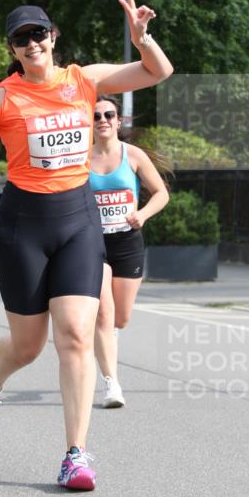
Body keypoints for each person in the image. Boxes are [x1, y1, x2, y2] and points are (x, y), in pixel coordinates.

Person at [0, 0, 173, 491]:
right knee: (29, 346)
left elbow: (157, 72)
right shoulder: (2, 98)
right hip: (22, 228)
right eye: (21, 39)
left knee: (76, 334)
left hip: (78, 220)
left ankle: (75, 455)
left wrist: (143, 39)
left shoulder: (85, 81)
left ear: (53, 37)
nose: (32, 44)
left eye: (38, 34)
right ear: (12, 50)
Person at [89, 95, 170, 408]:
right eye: (96, 116)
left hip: (127, 241)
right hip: (93, 245)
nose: (103, 120)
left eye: (109, 114)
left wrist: (143, 214)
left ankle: (110, 337)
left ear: (118, 121)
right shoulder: (81, 158)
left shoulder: (132, 155)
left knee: (120, 318)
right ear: (90, 124)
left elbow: (161, 193)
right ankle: (112, 384)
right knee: (104, 316)